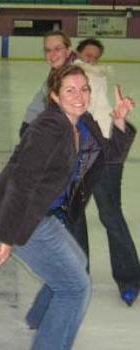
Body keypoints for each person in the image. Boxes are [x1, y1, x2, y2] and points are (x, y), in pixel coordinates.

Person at [0, 64, 135, 350]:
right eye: (70, 90)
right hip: (19, 216)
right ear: (54, 96)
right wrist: (8, 238)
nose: (79, 95)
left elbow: (110, 156)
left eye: (84, 89)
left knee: (77, 265)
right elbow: (20, 184)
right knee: (75, 288)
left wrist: (120, 120)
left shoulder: (84, 122)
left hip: (44, 216)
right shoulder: (48, 129)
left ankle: (39, 318)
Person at [73, 38, 140, 306]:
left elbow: (103, 115)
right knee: (74, 216)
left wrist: (119, 119)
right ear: (77, 53)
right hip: (77, 156)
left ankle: (129, 277)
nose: (90, 60)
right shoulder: (71, 76)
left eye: (94, 57)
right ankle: (78, 275)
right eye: (86, 55)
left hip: (106, 153)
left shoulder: (96, 77)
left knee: (111, 214)